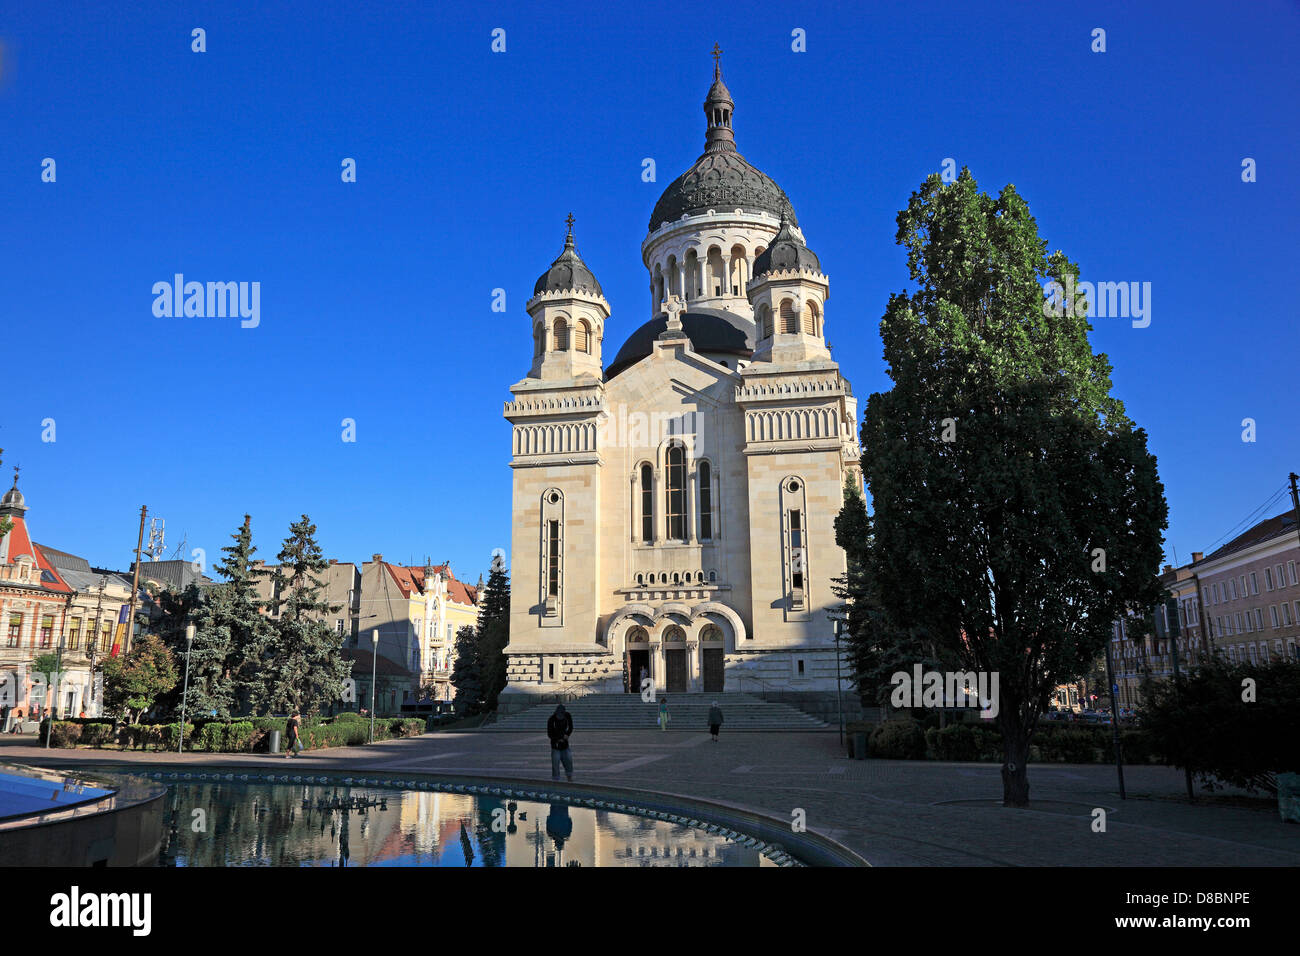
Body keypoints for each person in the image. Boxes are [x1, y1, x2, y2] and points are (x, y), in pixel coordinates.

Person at [547, 703, 573, 781]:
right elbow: (550, 733)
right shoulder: (551, 719)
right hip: (555, 745)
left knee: (568, 761)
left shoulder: (567, 716)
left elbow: (571, 727)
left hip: (565, 744)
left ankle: (569, 777)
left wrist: (567, 735)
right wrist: (558, 739)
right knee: (555, 763)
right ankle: (556, 779)